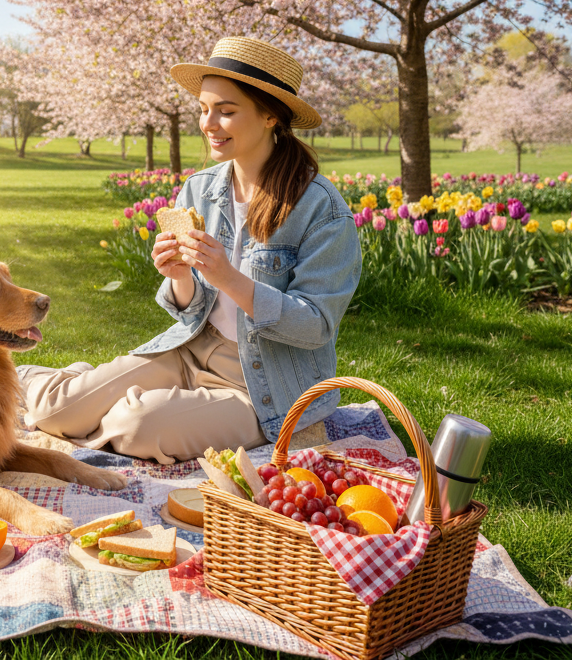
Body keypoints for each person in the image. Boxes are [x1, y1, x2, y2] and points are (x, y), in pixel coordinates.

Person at [18, 37, 361, 463]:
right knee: (54, 410)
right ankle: (69, 389)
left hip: (262, 386)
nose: (208, 123)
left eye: (227, 111)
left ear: (270, 115)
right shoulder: (200, 190)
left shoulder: (322, 210)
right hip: (192, 348)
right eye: (204, 109)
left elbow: (316, 326)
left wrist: (230, 279)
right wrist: (178, 274)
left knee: (136, 427)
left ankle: (125, 405)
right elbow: (189, 310)